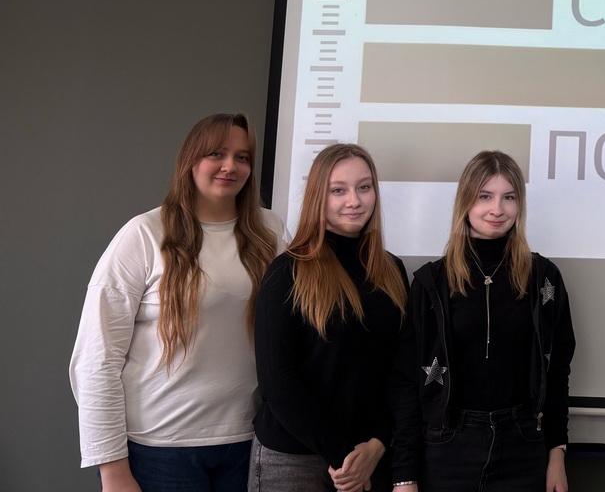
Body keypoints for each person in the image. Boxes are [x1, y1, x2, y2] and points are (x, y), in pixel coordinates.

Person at [70, 113, 289, 492]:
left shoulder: (271, 232)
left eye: (242, 157)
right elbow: (96, 359)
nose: (230, 166)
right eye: (216, 154)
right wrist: (111, 468)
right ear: (190, 160)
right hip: (158, 450)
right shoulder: (143, 234)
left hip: (248, 443)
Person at [390, 150, 576, 492]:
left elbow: (557, 371)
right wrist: (405, 476)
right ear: (465, 202)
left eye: (509, 197)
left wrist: (556, 455)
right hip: (446, 448)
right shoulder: (431, 282)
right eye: (485, 196)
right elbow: (406, 381)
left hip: (523, 447)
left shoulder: (544, 278)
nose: (497, 209)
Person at [251, 143, 408, 492]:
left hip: (370, 456)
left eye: (364, 187)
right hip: (294, 459)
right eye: (338, 190)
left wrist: (378, 443)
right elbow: (278, 383)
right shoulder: (288, 271)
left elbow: (400, 372)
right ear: (318, 197)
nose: (354, 201)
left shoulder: (392, 270)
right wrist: (344, 457)